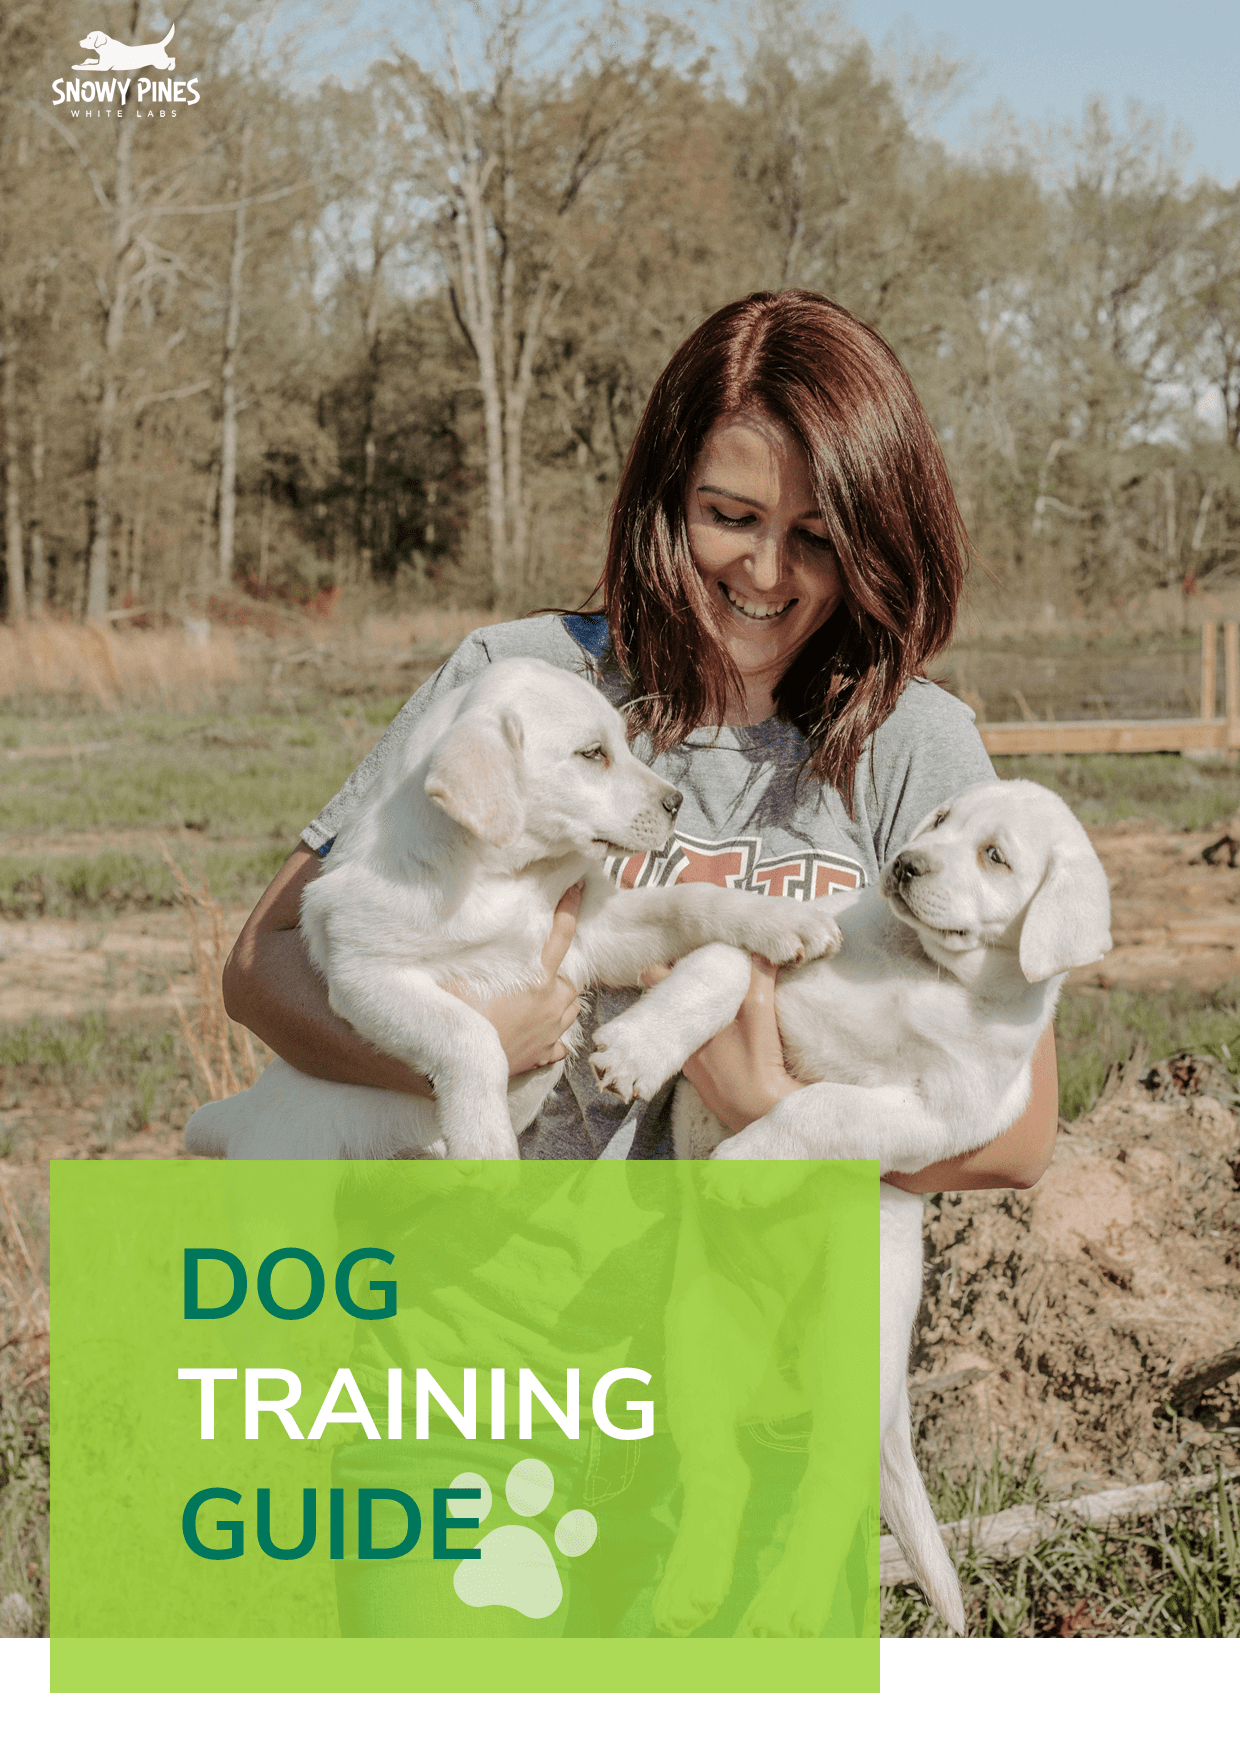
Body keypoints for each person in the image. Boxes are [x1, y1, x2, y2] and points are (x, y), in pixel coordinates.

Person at [222, 288, 1057, 1185]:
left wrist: (764, 1110)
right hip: (487, 1288)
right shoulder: (521, 677)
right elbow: (262, 966)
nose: (767, 572)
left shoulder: (912, 744)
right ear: (663, 497)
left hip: (755, 1296)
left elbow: (1019, 1139)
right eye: (729, 517)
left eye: (817, 538)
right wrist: (468, 1062)